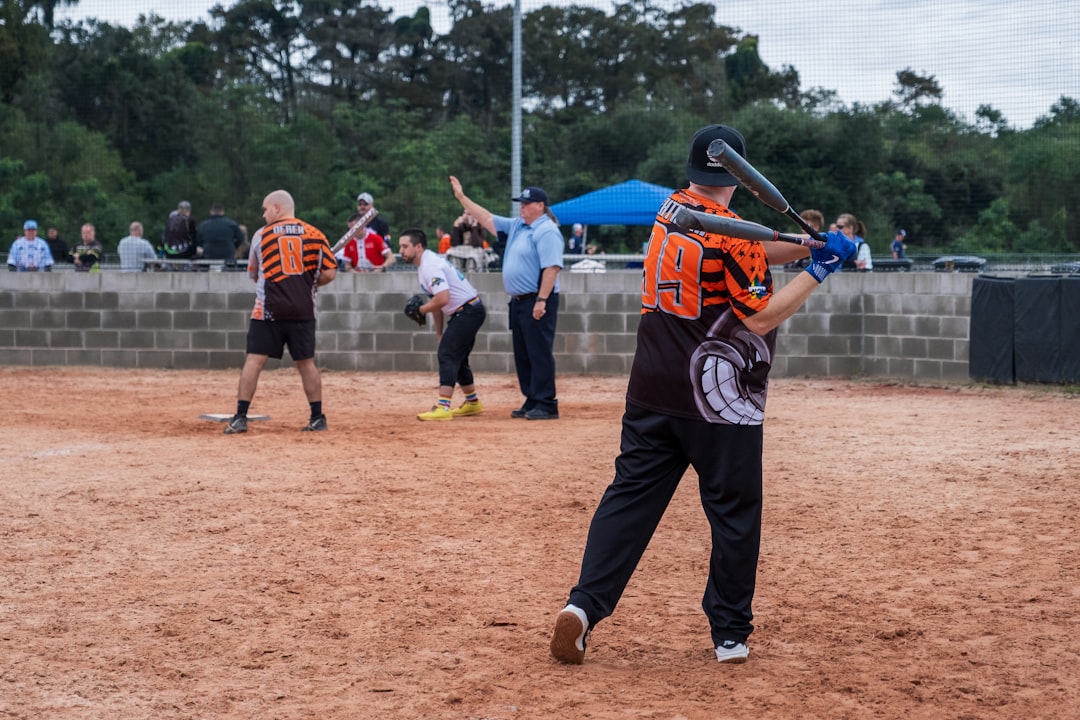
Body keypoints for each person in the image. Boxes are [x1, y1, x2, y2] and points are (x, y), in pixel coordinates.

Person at [547, 124, 856, 667]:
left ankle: (583, 606)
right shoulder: (733, 232)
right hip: (720, 398)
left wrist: (807, 241)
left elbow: (748, 249)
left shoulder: (672, 211)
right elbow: (759, 315)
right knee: (735, 511)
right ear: (739, 172)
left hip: (652, 386)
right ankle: (730, 634)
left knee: (629, 499)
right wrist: (819, 268)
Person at [223, 189, 338, 435]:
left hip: (268, 310)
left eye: (265, 209)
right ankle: (317, 417)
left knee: (254, 360)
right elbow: (329, 272)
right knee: (306, 363)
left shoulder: (261, 236)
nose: (263, 215)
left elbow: (254, 274)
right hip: (304, 310)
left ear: (277, 208)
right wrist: (310, 282)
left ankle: (240, 417)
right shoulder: (315, 234)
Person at [449, 178, 563, 420]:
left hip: (537, 299)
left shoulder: (546, 230)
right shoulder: (518, 226)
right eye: (521, 203)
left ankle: (546, 403)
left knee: (539, 351)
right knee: (523, 352)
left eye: (527, 203)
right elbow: (486, 217)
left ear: (540, 206)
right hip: (520, 301)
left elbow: (552, 268)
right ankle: (532, 398)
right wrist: (462, 197)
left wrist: (541, 301)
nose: (521, 207)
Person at [398, 228, 487, 421]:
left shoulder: (430, 266)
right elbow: (437, 303)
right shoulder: (424, 265)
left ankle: (443, 407)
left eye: (405, 246)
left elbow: (443, 298)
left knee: (447, 354)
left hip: (469, 311)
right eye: (400, 247)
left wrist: (420, 311)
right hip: (465, 311)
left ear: (418, 247)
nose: (401, 251)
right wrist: (439, 334)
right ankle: (473, 403)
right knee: (457, 357)